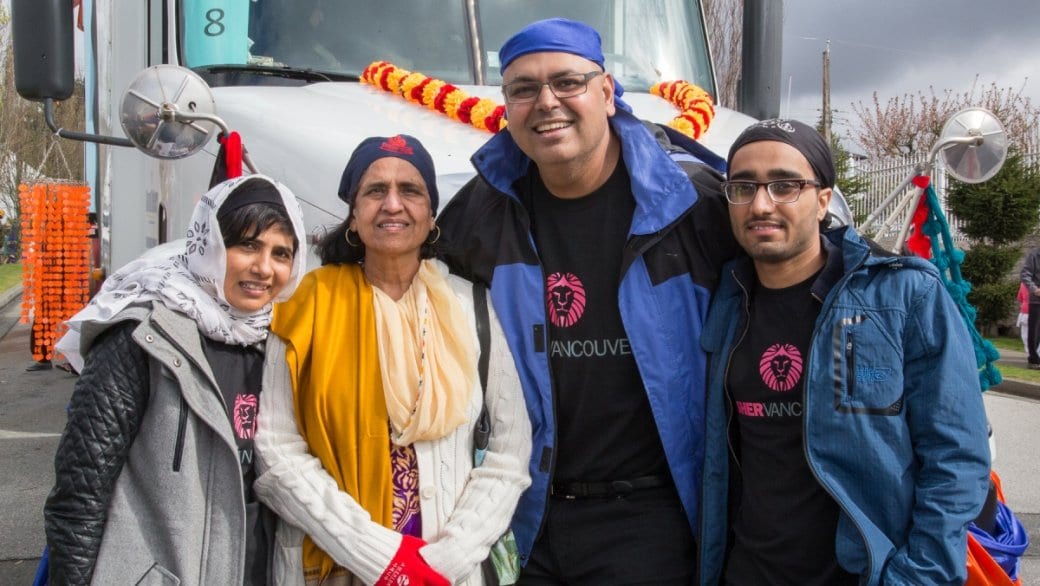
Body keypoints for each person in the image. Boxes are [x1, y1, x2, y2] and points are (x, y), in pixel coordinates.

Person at [436, 18, 739, 583]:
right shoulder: (483, 212)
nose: (546, 102)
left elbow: (798, 271)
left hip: (649, 521)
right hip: (525, 518)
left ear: (605, 93)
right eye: (524, 88)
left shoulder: (688, 204)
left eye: (567, 82)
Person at [698, 119, 991, 585]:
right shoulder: (725, 299)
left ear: (823, 200)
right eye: (743, 186)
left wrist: (918, 577)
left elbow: (957, 458)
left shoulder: (904, 295)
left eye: (784, 185)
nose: (761, 203)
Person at [253, 134, 532, 586]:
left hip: (449, 574)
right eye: (375, 191)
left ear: (431, 214)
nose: (393, 204)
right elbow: (275, 449)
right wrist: (380, 557)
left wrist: (447, 560)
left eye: (411, 190)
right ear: (354, 212)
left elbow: (509, 451)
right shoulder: (308, 302)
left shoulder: (474, 307)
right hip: (337, 569)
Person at [44, 175, 307, 585]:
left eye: (281, 253)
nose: (264, 268)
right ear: (212, 244)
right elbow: (81, 492)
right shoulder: (141, 337)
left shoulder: (278, 344)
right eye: (248, 245)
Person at [1021, 250, 1040, 368]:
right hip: (1037, 300)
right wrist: (1035, 289)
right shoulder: (1034, 255)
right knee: (1034, 331)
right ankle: (1033, 360)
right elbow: (1025, 274)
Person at [1017, 282, 1031, 354]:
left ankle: (1030, 353)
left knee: (1025, 334)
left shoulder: (1024, 283)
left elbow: (1019, 298)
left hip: (1025, 312)